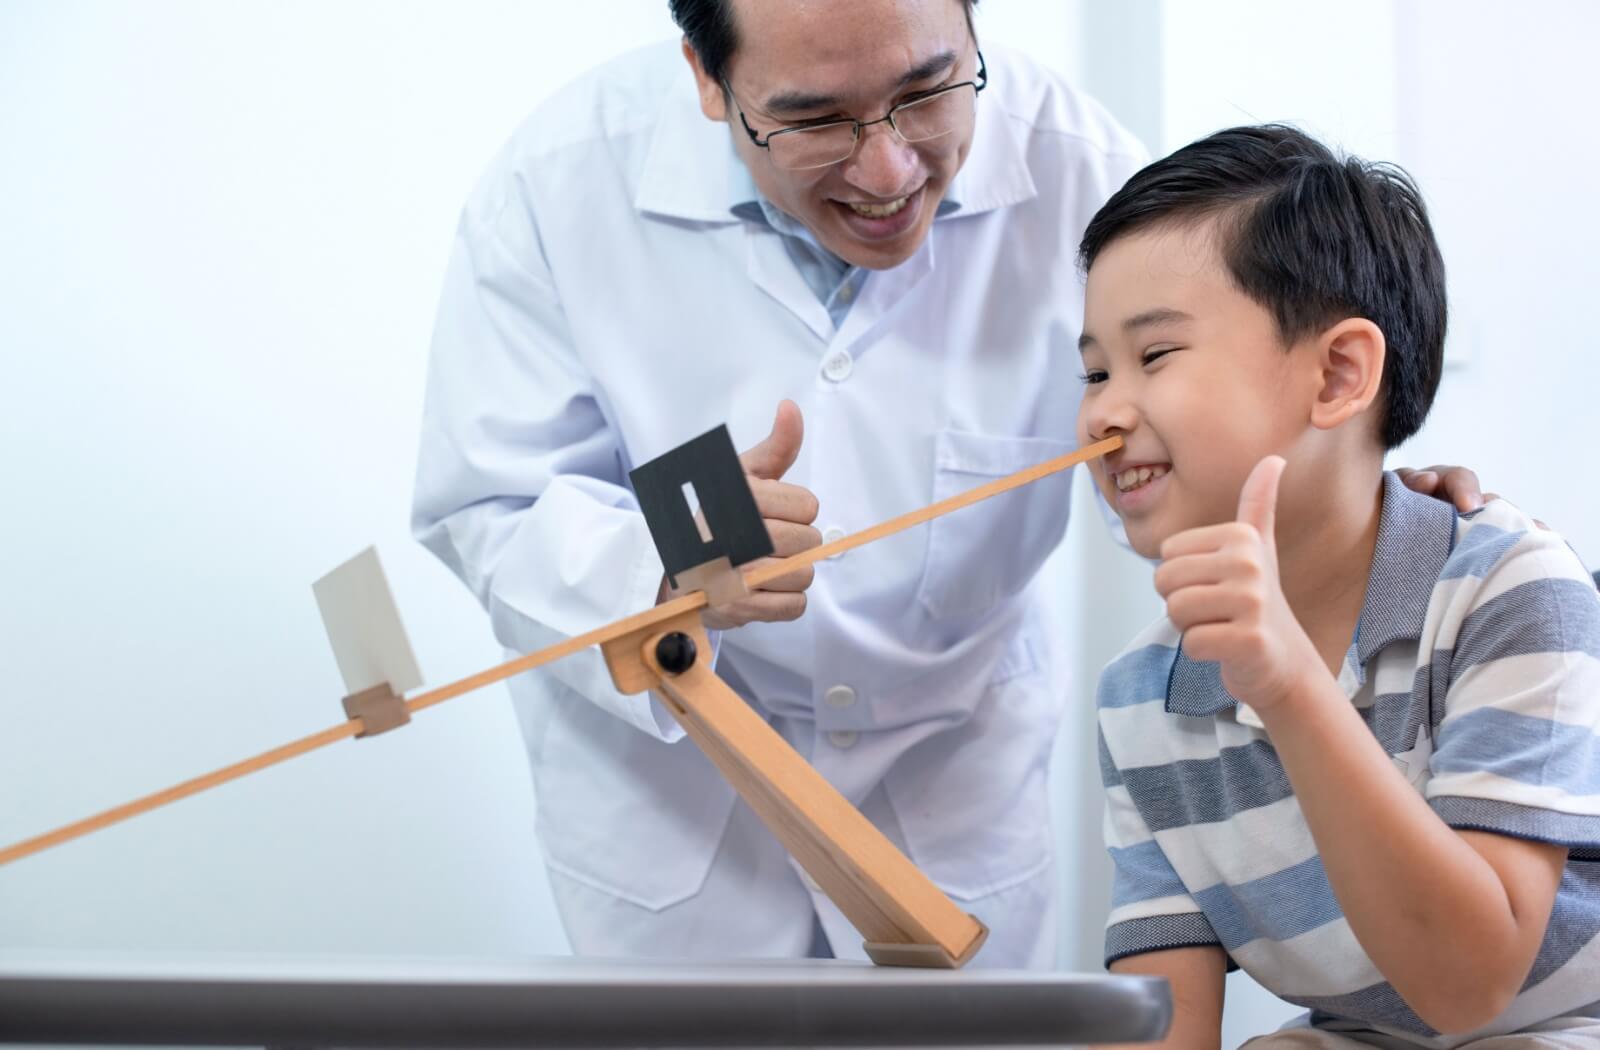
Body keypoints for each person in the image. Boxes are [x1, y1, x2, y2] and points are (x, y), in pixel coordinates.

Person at [411, 0, 1487, 968]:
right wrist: (662, 570)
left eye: (927, 92)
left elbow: (1231, 399)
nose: (887, 171)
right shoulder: (557, 184)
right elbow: (490, 500)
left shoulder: (1082, 171)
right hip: (683, 786)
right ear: (705, 76)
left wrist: (1363, 503)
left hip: (952, 762)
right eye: (816, 119)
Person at [1078, 126, 1600, 1046]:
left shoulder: (1514, 591)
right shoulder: (1138, 697)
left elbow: (1467, 987)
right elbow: (1170, 1026)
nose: (1104, 416)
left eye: (1154, 356)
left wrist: (1286, 685)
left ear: (1339, 373)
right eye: (1093, 371)